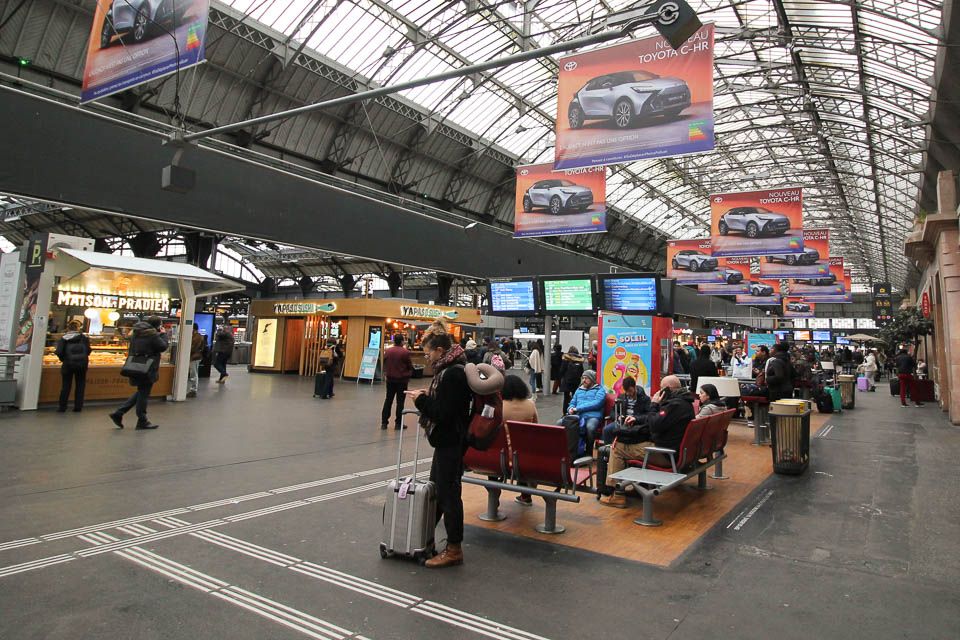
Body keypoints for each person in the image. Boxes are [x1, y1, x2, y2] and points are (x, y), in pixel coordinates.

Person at [406, 320, 472, 569]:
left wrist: (422, 401)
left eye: (428, 353)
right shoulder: (451, 370)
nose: (427, 358)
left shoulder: (452, 373)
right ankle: (423, 539)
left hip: (451, 441)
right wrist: (428, 394)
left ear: (440, 351)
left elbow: (444, 414)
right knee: (439, 490)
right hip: (448, 441)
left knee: (448, 494)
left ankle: (454, 549)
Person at [600, 375, 695, 507]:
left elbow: (655, 424)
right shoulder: (685, 403)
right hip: (675, 451)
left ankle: (617, 494)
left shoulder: (675, 405)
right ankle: (640, 487)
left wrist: (654, 404)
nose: (659, 392)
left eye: (661, 389)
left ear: (668, 389)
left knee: (618, 447)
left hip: (665, 454)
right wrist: (638, 419)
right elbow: (658, 420)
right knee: (632, 443)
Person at [110, 316, 168, 430]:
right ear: (158, 325)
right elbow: (163, 346)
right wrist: (163, 335)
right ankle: (142, 420)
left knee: (142, 391)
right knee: (144, 394)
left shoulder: (136, 333)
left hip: (135, 365)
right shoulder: (152, 335)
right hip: (147, 367)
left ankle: (119, 413)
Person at [501, 373, 539, 505]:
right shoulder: (530, 405)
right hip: (525, 455)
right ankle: (525, 495)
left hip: (503, 456)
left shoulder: (501, 406)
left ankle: (495, 494)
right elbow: (536, 427)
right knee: (522, 452)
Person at [563, 370, 605, 457]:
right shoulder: (579, 390)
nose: (584, 380)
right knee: (560, 423)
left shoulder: (600, 390)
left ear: (592, 379)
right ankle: (568, 451)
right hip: (577, 416)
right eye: (583, 378)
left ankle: (589, 451)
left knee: (590, 427)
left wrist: (578, 408)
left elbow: (597, 403)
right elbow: (572, 403)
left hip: (593, 416)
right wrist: (570, 409)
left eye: (587, 378)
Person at [55, 319, 90, 412]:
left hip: (68, 365)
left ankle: (62, 407)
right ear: (78, 328)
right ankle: (78, 406)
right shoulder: (84, 338)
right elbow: (88, 350)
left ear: (68, 328)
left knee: (66, 385)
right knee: (80, 385)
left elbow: (58, 351)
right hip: (82, 365)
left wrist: (64, 359)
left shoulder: (64, 338)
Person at [602, 376, 650, 444]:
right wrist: (618, 416)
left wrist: (635, 418)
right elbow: (613, 411)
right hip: (622, 422)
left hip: (636, 424)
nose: (628, 394)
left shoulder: (645, 399)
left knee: (628, 432)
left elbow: (648, 415)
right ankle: (608, 451)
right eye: (626, 391)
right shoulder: (621, 397)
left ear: (635, 387)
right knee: (606, 430)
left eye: (630, 391)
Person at [382, 334, 413, 430]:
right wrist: (409, 373)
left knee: (388, 400)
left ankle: (384, 422)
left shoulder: (388, 351)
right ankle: (398, 423)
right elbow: (409, 365)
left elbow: (385, 362)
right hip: (402, 380)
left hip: (390, 379)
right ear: (402, 341)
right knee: (400, 402)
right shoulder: (405, 352)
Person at [558, 346, 585, 414]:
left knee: (566, 398)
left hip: (567, 381)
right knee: (575, 397)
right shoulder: (579, 360)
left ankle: (565, 413)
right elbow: (581, 371)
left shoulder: (566, 359)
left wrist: (561, 377)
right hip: (576, 381)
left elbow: (562, 370)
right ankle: (573, 411)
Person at [187, 324, 204, 399]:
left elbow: (193, 347)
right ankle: (193, 389)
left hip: (195, 357)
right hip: (195, 356)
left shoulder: (197, 337)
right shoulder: (197, 336)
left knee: (193, 373)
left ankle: (193, 390)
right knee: (193, 373)